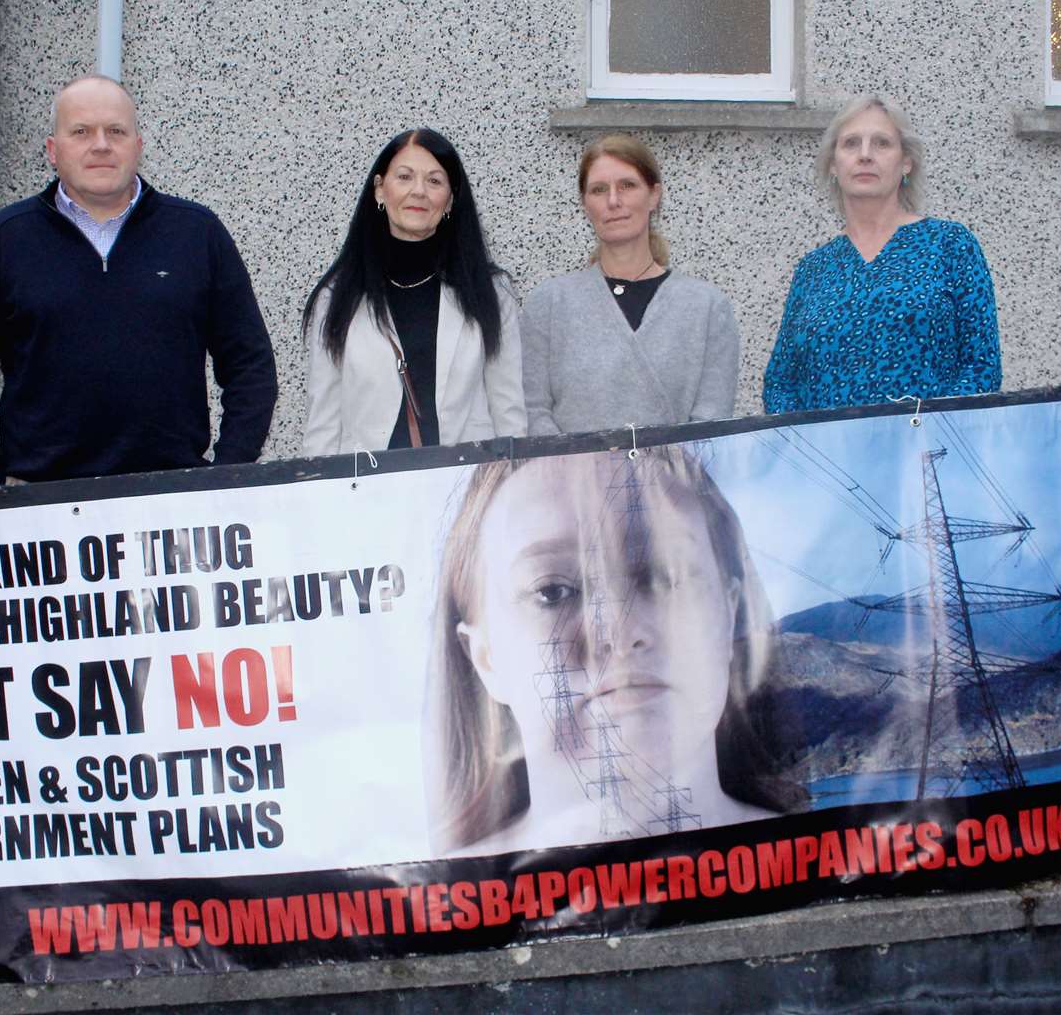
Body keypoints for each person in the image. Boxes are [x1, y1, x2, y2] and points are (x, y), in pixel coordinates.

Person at [424, 446, 808, 856]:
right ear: (485, 658)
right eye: (551, 592)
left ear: (728, 613)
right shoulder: (430, 910)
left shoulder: (825, 867)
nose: (619, 634)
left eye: (665, 575)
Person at [0, 74, 277, 487]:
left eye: (115, 131)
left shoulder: (196, 233)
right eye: (81, 132)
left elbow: (250, 366)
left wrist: (227, 474)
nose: (100, 144)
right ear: (53, 150)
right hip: (39, 508)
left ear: (138, 146)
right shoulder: (7, 238)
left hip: (172, 503)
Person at [763, 95, 1001, 414]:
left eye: (882, 143)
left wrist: (927, 433)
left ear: (906, 162)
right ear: (833, 164)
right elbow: (780, 382)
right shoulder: (813, 269)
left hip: (924, 455)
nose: (865, 155)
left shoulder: (950, 245)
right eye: (850, 144)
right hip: (830, 459)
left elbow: (981, 368)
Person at [302, 128, 524, 454]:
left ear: (450, 199)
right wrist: (317, 493)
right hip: (367, 492)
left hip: (465, 490)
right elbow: (323, 419)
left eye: (434, 181)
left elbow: (509, 411)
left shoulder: (489, 293)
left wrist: (510, 485)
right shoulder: (338, 297)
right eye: (404, 177)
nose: (418, 191)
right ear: (380, 189)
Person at [521, 134, 741, 436]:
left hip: (674, 482)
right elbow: (532, 410)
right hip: (571, 480)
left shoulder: (708, 308)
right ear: (585, 204)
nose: (613, 201)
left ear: (654, 195)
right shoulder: (548, 304)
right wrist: (575, 469)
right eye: (599, 190)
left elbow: (711, 425)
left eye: (627, 185)